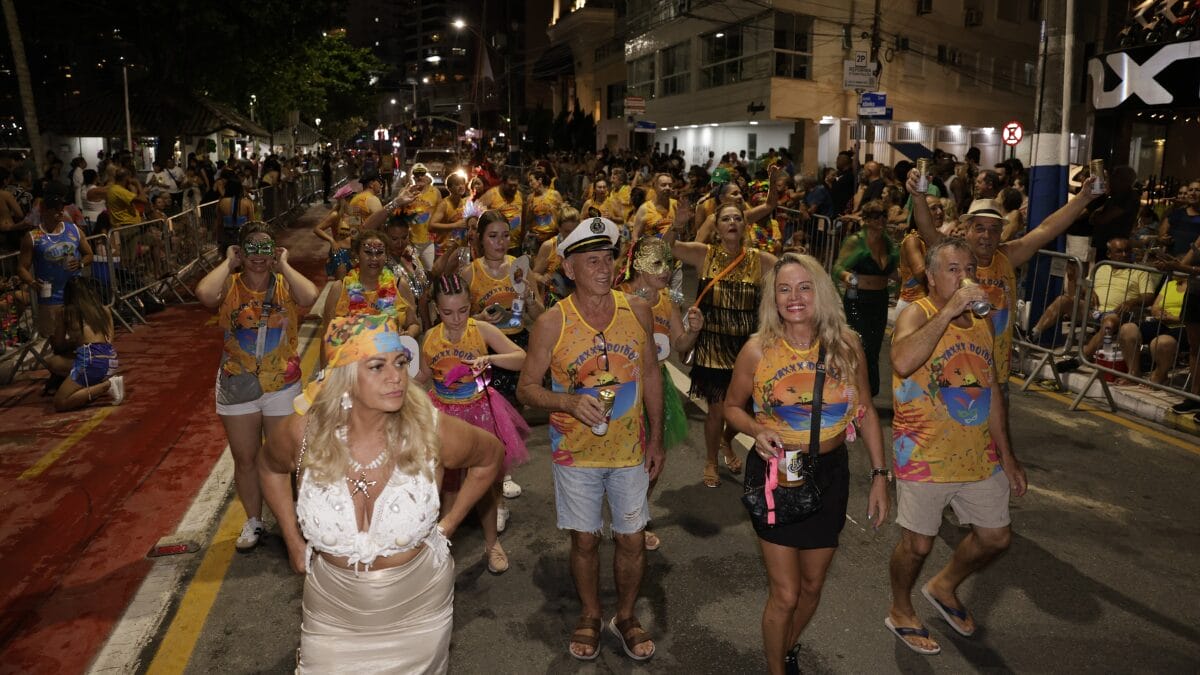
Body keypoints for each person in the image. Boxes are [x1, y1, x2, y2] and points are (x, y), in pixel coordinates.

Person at [259, 314, 503, 673]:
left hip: (418, 613)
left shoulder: (431, 431)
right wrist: (293, 542)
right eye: (377, 366)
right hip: (332, 615)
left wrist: (447, 526)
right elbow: (267, 467)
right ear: (343, 375)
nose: (396, 377)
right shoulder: (304, 434)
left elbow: (490, 457)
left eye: (401, 363)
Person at [723, 252, 888, 674]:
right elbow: (731, 407)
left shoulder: (847, 346)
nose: (794, 297)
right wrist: (756, 431)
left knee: (812, 585)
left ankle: (785, 647)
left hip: (831, 474)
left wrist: (880, 476)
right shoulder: (757, 350)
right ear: (773, 298)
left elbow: (865, 408)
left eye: (804, 287)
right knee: (786, 594)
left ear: (821, 292)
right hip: (777, 473)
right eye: (784, 289)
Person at [517, 216, 664, 662]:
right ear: (569, 269)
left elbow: (652, 374)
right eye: (591, 260)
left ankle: (625, 615)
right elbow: (527, 388)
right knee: (584, 540)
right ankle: (590, 613)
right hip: (575, 453)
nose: (603, 269)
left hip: (630, 449)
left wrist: (657, 438)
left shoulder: (636, 309)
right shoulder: (551, 323)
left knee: (632, 539)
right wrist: (566, 403)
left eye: (608, 259)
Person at [886, 238, 1027, 656]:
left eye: (969, 268)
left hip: (977, 453)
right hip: (924, 452)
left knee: (996, 537)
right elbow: (902, 361)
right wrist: (948, 310)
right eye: (952, 269)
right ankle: (899, 609)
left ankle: (943, 586)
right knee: (917, 545)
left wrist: (1008, 456)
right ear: (930, 276)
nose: (965, 276)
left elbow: (993, 394)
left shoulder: (981, 323)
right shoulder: (917, 312)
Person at [909, 172, 1107, 389]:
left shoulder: (1007, 256)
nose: (987, 235)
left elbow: (1047, 229)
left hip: (996, 373)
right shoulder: (952, 255)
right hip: (956, 368)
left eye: (994, 229)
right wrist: (918, 198)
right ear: (966, 230)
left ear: (1001, 232)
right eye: (980, 228)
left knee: (998, 422)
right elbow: (927, 230)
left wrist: (1084, 198)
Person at [196, 222, 320, 551]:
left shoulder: (284, 286)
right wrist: (227, 262)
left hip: (282, 384)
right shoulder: (231, 286)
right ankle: (254, 520)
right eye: (252, 249)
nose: (259, 257)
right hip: (239, 385)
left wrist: (286, 265)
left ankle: (293, 518)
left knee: (285, 456)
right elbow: (205, 295)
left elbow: (310, 295)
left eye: (266, 249)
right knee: (246, 457)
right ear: (241, 252)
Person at [417, 273, 530, 574]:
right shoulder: (429, 338)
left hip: (478, 411)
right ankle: (444, 545)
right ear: (436, 311)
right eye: (447, 313)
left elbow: (521, 356)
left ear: (471, 306)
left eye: (463, 310)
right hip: (442, 414)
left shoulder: (480, 330)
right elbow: (422, 377)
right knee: (446, 484)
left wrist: (490, 361)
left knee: (487, 484)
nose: (456, 319)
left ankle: (492, 543)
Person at [673, 202, 779, 488]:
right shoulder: (704, 254)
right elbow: (667, 249)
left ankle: (725, 441)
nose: (732, 222)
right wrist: (676, 224)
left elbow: (789, 274)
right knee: (718, 410)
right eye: (725, 219)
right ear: (717, 227)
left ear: (745, 226)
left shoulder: (761, 260)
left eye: (737, 218)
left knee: (744, 410)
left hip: (746, 351)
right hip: (712, 347)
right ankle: (710, 460)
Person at [617, 237, 703, 550]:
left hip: (659, 383)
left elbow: (679, 346)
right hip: (624, 386)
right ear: (636, 263)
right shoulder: (618, 297)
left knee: (654, 458)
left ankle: (634, 514)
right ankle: (625, 517)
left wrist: (693, 331)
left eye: (668, 263)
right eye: (656, 263)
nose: (665, 270)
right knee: (623, 458)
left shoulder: (668, 299)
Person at [461, 210, 538, 499]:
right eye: (493, 236)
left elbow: (537, 313)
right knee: (486, 414)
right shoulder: (470, 272)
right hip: (485, 351)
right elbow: (459, 317)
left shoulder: (519, 269)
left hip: (516, 347)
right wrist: (478, 316)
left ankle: (505, 473)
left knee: (514, 414)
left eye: (505, 235)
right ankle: (483, 469)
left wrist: (530, 296)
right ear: (480, 240)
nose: (500, 242)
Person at [320, 232, 421, 366]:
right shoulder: (340, 289)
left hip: (389, 366)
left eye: (379, 253)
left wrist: (409, 335)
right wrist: (323, 376)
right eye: (368, 252)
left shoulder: (399, 286)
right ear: (356, 256)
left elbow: (414, 324)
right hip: (351, 367)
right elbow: (326, 337)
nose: (374, 258)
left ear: (386, 256)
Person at [18, 183, 93, 359]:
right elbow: (22, 267)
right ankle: (62, 371)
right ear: (45, 210)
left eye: (62, 208)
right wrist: (31, 282)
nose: (61, 212)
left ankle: (78, 369)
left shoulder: (73, 229)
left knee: (82, 336)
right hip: (50, 296)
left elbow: (89, 254)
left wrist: (81, 264)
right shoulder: (33, 237)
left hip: (76, 291)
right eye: (56, 209)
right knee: (58, 342)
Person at [833, 200, 898, 398]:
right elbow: (838, 268)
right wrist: (847, 277)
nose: (882, 220)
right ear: (867, 220)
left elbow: (893, 271)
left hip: (879, 299)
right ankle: (855, 390)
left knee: (875, 347)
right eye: (877, 216)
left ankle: (868, 392)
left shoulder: (887, 242)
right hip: (857, 300)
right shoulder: (855, 241)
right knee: (861, 345)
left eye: (884, 215)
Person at [43, 277, 125, 411]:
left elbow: (59, 344)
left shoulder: (65, 312)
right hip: (110, 359)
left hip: (90, 359)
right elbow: (109, 340)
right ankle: (97, 382)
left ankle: (106, 386)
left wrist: (73, 342)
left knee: (60, 402)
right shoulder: (104, 309)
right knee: (55, 362)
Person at [399, 163, 441, 270]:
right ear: (413, 176)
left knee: (429, 271)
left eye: (422, 174)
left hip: (428, 241)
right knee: (412, 273)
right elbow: (397, 213)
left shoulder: (435, 192)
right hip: (411, 241)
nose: (419, 177)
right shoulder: (407, 192)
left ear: (426, 175)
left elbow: (440, 215)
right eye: (416, 174)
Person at [478, 170, 524, 254]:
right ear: (503, 183)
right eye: (510, 186)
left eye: (515, 186)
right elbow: (474, 214)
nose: (513, 188)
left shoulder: (519, 194)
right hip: (496, 246)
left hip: (516, 245)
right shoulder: (491, 195)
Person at [524, 169, 564, 248]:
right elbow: (527, 220)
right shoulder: (530, 198)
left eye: (531, 181)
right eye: (529, 182)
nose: (530, 184)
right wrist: (531, 211)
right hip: (536, 238)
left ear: (540, 180)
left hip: (552, 236)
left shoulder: (554, 194)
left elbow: (563, 215)